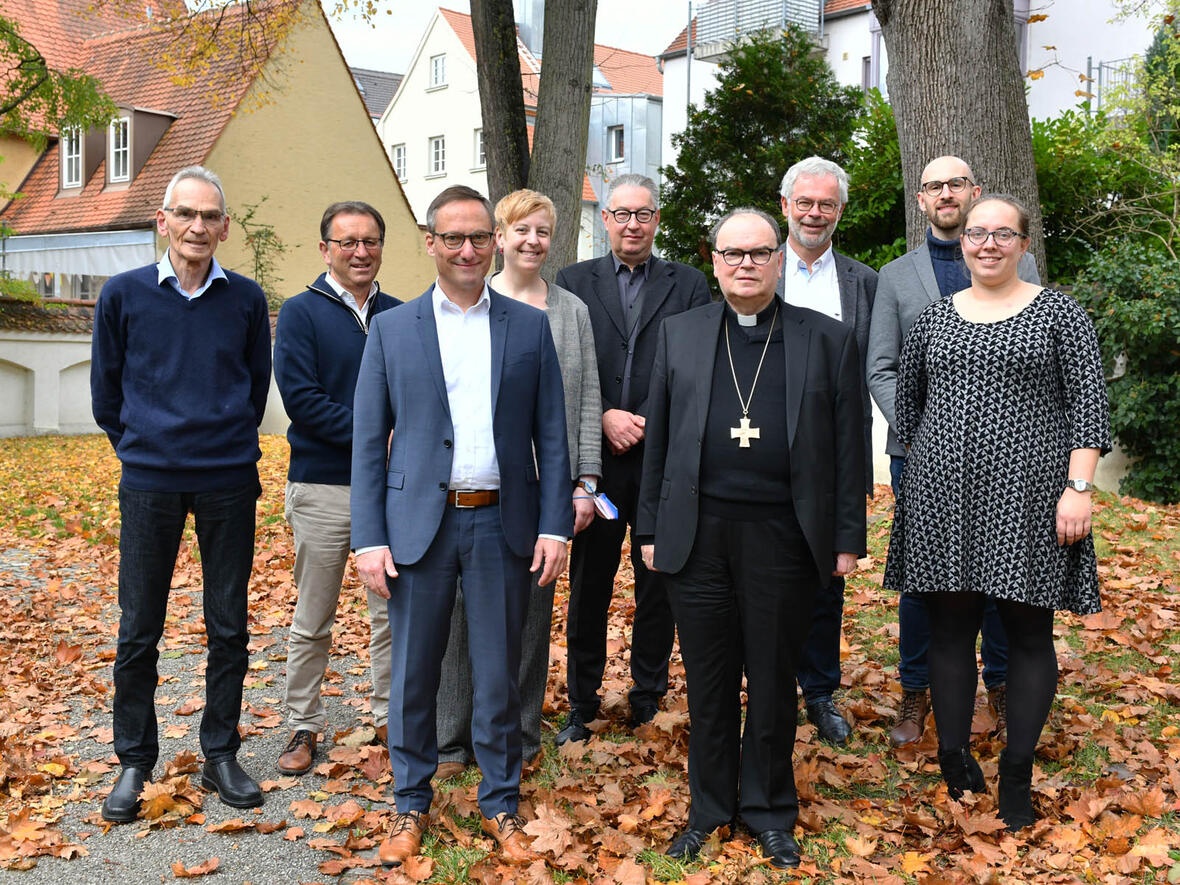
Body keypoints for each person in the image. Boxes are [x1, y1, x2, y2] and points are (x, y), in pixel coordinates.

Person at [350, 185, 573, 866]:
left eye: (480, 236)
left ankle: (500, 800)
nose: (469, 249)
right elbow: (366, 440)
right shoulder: (393, 329)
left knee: (499, 672)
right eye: (454, 238)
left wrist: (555, 525)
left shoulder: (528, 327)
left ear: (495, 240)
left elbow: (553, 437)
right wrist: (368, 536)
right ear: (431, 243)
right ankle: (410, 802)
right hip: (417, 526)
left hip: (501, 523)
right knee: (414, 673)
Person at [637, 208, 866, 869]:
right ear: (713, 259)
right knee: (709, 681)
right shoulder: (680, 334)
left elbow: (848, 447)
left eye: (759, 252)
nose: (745, 263)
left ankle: (768, 808)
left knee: (770, 678)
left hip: (784, 536)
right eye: (732, 253)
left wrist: (847, 534)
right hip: (697, 534)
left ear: (777, 260)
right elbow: (661, 444)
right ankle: (708, 808)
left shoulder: (826, 338)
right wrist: (648, 525)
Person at [883, 194, 1109, 829]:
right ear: (963, 243)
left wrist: (1078, 489)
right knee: (950, 630)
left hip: (1032, 498)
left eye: (1001, 234)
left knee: (1028, 630)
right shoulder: (932, 319)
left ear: (1022, 243)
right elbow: (911, 406)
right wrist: (931, 474)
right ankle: (954, 760)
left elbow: (1089, 407)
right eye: (977, 234)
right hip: (943, 497)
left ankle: (1016, 770)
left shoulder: (1059, 314)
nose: (987, 244)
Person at [91, 166, 271, 821]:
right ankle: (135, 760)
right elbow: (106, 395)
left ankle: (220, 751)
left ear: (224, 226)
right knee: (139, 628)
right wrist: (144, 445)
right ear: (162, 221)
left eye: (210, 216)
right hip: (149, 481)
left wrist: (219, 442)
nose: (198, 226)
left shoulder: (246, 300)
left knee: (229, 626)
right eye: (185, 214)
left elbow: (255, 390)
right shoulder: (123, 295)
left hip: (228, 478)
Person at [868, 156, 1041, 747]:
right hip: (921, 453)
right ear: (921, 200)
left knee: (1002, 572)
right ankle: (915, 693)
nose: (946, 194)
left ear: (975, 191)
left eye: (956, 184)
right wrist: (922, 433)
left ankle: (1001, 685)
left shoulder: (1021, 261)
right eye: (934, 186)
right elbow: (883, 366)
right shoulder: (895, 276)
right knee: (926, 581)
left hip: (1008, 455)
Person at [435, 189, 602, 778]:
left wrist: (583, 483)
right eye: (520, 230)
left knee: (531, 618)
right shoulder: (469, 304)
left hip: (542, 492)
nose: (532, 241)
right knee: (458, 619)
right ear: (498, 238)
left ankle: (522, 733)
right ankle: (451, 740)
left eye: (543, 232)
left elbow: (584, 403)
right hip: (473, 486)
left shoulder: (571, 311)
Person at [554, 174, 711, 744]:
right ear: (605, 219)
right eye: (621, 213)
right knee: (589, 587)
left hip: (661, 459)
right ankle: (583, 702)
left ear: (657, 220)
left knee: (658, 583)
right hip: (594, 463)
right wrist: (603, 417)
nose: (631, 224)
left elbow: (695, 364)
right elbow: (566, 364)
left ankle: (648, 696)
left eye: (643, 214)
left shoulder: (689, 284)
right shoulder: (572, 282)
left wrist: (642, 416)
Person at [272, 202, 401, 775]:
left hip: (393, 491)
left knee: (391, 612)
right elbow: (303, 402)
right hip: (324, 485)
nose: (360, 252)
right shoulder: (300, 313)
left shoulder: (401, 315)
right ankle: (303, 724)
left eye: (370, 241)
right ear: (325, 248)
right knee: (313, 614)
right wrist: (381, 436)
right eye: (347, 242)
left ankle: (389, 716)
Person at [776, 156, 876, 746]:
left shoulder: (865, 282)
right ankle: (764, 684)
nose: (815, 213)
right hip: (756, 445)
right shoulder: (757, 266)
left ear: (840, 210)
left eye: (827, 204)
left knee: (825, 578)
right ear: (785, 205)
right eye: (805, 202)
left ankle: (818, 691)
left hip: (834, 449)